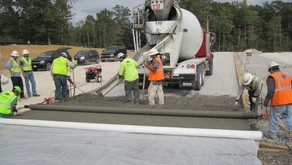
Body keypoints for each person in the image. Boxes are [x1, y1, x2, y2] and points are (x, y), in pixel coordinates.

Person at [263, 61, 292, 140]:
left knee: (274, 117)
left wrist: (266, 101)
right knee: (288, 117)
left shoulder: (272, 77)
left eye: (269, 70)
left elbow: (271, 91)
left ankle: (272, 134)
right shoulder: (287, 75)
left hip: (278, 101)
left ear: (271, 69)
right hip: (289, 101)